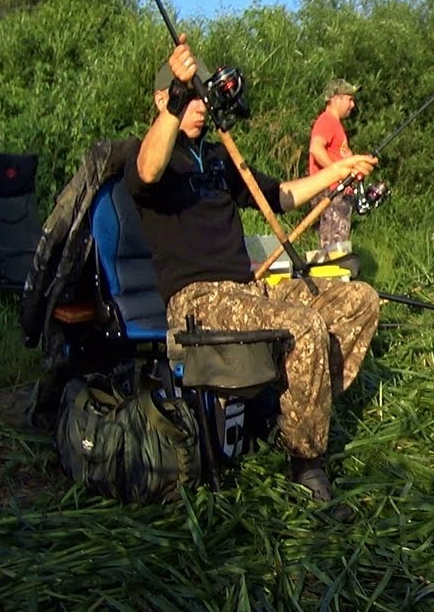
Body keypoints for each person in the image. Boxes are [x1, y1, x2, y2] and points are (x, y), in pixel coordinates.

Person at [125, 34, 379, 520]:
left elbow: (281, 194)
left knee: (359, 299)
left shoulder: (220, 158)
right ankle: (306, 466)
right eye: (185, 96)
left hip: (247, 289)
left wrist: (341, 169)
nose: (198, 106)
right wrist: (175, 104)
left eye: (200, 96)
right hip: (197, 301)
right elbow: (147, 168)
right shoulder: (155, 158)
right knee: (302, 327)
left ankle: (294, 412)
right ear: (164, 100)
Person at [308, 77, 360, 251]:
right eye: (349, 99)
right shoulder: (327, 120)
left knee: (337, 247)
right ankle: (331, 277)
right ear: (336, 99)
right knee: (333, 248)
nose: (352, 105)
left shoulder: (335, 124)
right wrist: (337, 173)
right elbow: (316, 148)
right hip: (331, 192)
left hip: (337, 192)